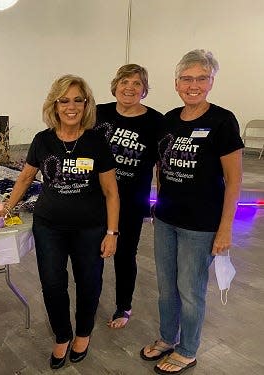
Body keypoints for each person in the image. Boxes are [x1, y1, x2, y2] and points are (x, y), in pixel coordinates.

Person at [0, 74, 119, 369]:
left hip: (90, 228)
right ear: (54, 104)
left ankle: (83, 332)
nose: (71, 106)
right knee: (52, 284)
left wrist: (112, 232)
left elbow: (111, 192)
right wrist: (4, 209)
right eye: (64, 100)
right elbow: (26, 177)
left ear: (86, 104)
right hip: (49, 226)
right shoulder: (43, 140)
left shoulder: (96, 141)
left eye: (78, 100)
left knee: (88, 283)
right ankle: (62, 335)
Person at [140, 50, 243, 375]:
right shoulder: (169, 120)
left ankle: (188, 349)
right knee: (166, 286)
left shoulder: (222, 121)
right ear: (176, 83)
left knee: (190, 288)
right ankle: (168, 338)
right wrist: (158, 203)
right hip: (167, 219)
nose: (193, 85)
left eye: (201, 78)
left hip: (201, 226)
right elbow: (161, 166)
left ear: (211, 82)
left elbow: (234, 179)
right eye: (187, 78)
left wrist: (225, 229)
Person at [95, 64, 164, 329]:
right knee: (92, 254)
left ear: (144, 90)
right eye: (125, 82)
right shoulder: (98, 114)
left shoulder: (156, 122)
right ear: (115, 85)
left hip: (131, 201)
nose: (130, 88)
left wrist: (161, 201)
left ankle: (123, 306)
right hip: (95, 199)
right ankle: (90, 302)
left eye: (137, 83)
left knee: (125, 255)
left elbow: (162, 166)